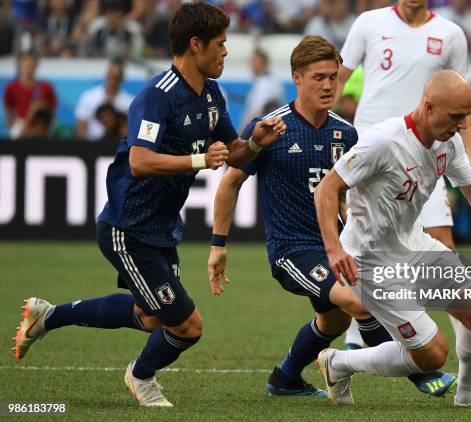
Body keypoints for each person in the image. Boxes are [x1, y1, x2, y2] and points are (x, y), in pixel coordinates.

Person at [13, 3, 286, 408]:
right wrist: (198, 160)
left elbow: (233, 154)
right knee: (188, 325)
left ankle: (48, 316)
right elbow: (140, 161)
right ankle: (141, 377)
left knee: (151, 318)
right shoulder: (156, 99)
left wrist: (257, 142)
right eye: (221, 44)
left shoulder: (211, 94)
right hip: (128, 227)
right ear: (196, 46)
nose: (226, 52)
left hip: (160, 227)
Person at [208, 35, 455, 399]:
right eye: (318, 77)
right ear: (296, 77)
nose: (328, 85)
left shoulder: (346, 131)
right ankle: (419, 373)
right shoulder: (270, 128)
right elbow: (230, 183)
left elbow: (346, 196)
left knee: (333, 319)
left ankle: (286, 378)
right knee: (357, 301)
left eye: (333, 77)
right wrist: (218, 245)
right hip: (292, 251)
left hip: (338, 244)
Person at [313, 70, 471, 409]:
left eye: (467, 116)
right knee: (432, 356)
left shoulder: (449, 141)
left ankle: (468, 396)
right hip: (370, 262)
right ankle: (338, 363)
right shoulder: (384, 140)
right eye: (457, 116)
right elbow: (327, 188)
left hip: (415, 246)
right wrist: (333, 248)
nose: (463, 125)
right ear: (429, 106)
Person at [335, 0, 471, 349]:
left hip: (429, 152)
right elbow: (338, 78)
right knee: (366, 250)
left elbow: (463, 102)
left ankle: (468, 350)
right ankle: (357, 337)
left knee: (444, 249)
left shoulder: (450, 34)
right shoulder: (368, 23)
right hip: (375, 156)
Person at [75, 58, 134, 141]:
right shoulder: (89, 97)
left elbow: (130, 130)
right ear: (106, 75)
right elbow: (80, 128)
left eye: (116, 78)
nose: (113, 81)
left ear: (122, 78)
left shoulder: (129, 102)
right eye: (111, 77)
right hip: (91, 144)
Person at [3, 51, 57, 139]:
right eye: (26, 61)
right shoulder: (11, 87)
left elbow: (52, 109)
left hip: (41, 127)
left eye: (32, 61)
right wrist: (13, 127)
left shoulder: (46, 87)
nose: (29, 65)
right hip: (20, 125)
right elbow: (8, 109)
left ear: (37, 64)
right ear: (20, 63)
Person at [241, 49, 284, 128]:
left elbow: (257, 113)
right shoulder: (270, 81)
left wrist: (244, 132)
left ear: (264, 63)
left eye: (255, 62)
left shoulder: (266, 83)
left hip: (261, 131)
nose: (252, 65)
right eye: (251, 62)